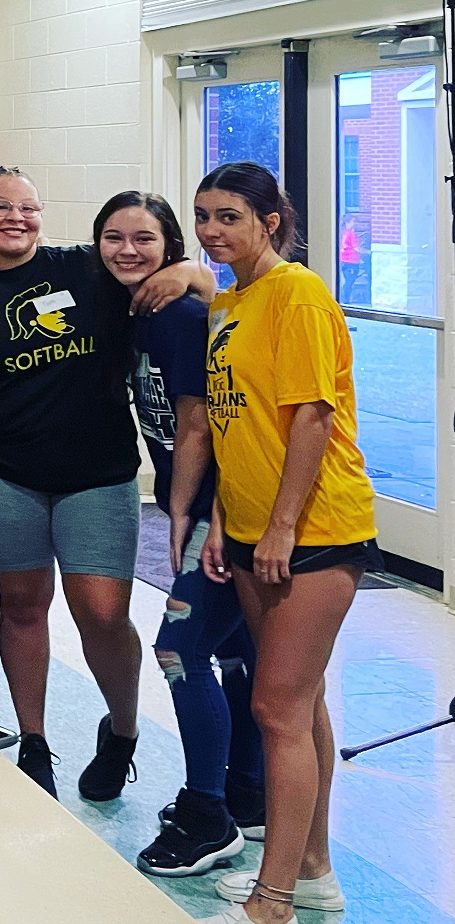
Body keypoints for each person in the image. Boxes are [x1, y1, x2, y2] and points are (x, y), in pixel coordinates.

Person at [0, 165, 211, 801]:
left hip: (97, 475)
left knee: (103, 614)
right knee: (23, 604)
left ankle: (123, 730)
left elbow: (175, 274)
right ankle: (34, 742)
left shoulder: (85, 268)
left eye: (27, 208)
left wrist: (188, 271)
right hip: (3, 472)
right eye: (0, 207)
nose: (15, 218)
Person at [193, 163, 377, 924]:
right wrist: (222, 519)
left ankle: (274, 900)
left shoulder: (297, 292)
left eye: (229, 217)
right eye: (203, 216)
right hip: (246, 528)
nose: (211, 231)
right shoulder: (229, 300)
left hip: (315, 531)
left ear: (271, 221)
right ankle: (311, 869)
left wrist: (279, 526)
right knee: (301, 702)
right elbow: (234, 420)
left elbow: (312, 416)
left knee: (275, 708)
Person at [92, 192, 264, 878]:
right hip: (209, 508)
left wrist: (184, 514)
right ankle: (248, 794)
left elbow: (199, 425)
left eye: (144, 238)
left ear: (169, 244)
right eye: (113, 237)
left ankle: (206, 814)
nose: (127, 250)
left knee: (180, 650)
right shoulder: (141, 313)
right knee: (237, 651)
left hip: (226, 510)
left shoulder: (183, 317)